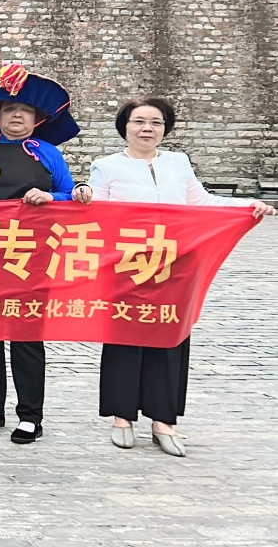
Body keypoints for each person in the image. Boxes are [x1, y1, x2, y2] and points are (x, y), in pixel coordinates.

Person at [80, 97, 274, 457]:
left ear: (165, 129)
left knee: (170, 336)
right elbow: (97, 213)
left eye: (156, 122)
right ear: (125, 127)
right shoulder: (106, 167)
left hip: (174, 263)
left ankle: (163, 419)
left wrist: (247, 205)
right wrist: (84, 196)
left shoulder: (178, 162)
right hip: (127, 266)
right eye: (139, 121)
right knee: (124, 337)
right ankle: (122, 417)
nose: (147, 128)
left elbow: (202, 201)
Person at [0, 63, 80, 445]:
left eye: (25, 112)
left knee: (27, 335)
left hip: (32, 256)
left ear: (36, 119)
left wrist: (50, 196)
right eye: (10, 110)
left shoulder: (48, 154)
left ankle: (30, 415)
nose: (16, 117)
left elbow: (69, 195)